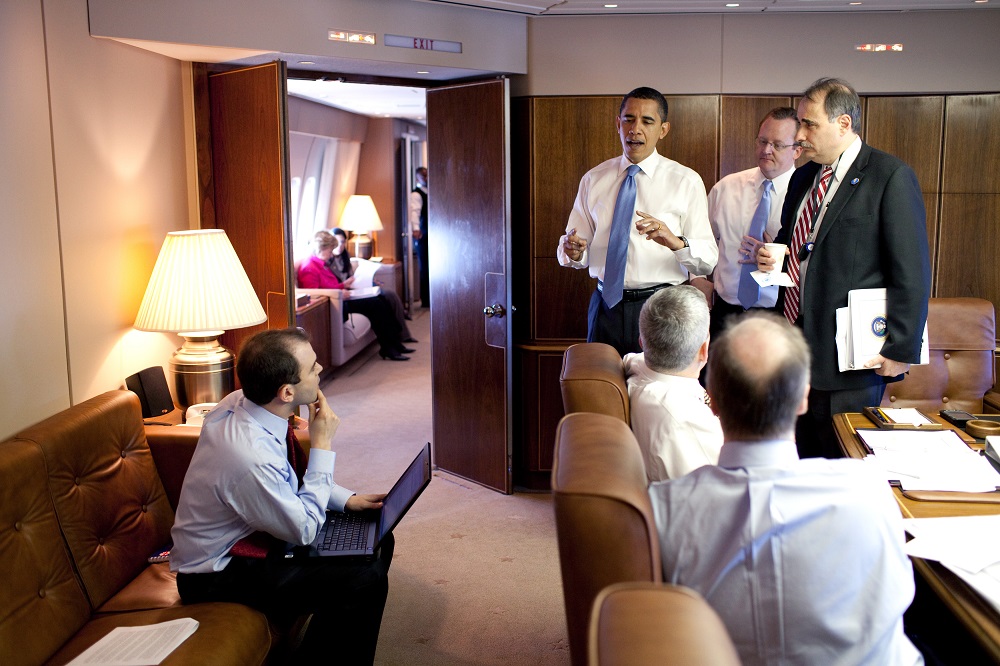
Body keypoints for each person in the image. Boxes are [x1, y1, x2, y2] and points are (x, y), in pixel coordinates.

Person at [648, 314, 921, 665]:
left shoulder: (663, 509)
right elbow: (896, 599)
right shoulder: (868, 487)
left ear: (712, 400)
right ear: (804, 398)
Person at [170, 328, 393, 664]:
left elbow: (288, 478)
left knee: (377, 534)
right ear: (287, 391)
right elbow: (304, 530)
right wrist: (321, 444)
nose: (320, 371)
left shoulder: (243, 403)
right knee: (364, 578)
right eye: (313, 368)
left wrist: (347, 500)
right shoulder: (248, 456)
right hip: (218, 572)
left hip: (252, 535)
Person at [757, 78, 931, 459]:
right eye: (799, 123)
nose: (799, 135)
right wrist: (777, 257)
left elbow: (912, 270)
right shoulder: (804, 175)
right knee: (800, 460)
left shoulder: (889, 176)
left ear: (844, 124)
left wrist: (901, 348)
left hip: (851, 357)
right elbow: (797, 244)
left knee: (844, 466)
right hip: (796, 347)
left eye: (809, 125)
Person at [557, 86, 717, 357]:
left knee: (656, 394)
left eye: (647, 121)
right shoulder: (593, 179)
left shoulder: (685, 181)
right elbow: (575, 248)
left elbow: (707, 260)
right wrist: (573, 250)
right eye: (629, 119)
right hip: (605, 306)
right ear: (618, 124)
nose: (635, 129)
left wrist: (675, 242)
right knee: (601, 392)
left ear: (663, 130)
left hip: (661, 308)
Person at [691, 107, 803, 342]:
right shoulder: (727, 187)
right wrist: (697, 279)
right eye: (762, 141)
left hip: (779, 316)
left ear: (797, 150)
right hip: (724, 312)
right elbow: (702, 239)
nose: (766, 150)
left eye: (777, 145)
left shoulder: (807, 196)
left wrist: (780, 260)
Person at [624, 285, 722, 482]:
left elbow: (634, 358)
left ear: (642, 343)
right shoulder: (688, 421)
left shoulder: (636, 366)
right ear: (704, 350)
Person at [298, 230, 414, 361]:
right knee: (375, 304)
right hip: (335, 304)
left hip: (341, 297)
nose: (331, 255)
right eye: (330, 251)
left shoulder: (321, 264)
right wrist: (340, 293)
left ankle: (395, 344)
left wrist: (344, 285)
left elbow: (329, 286)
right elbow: (313, 293)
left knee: (381, 298)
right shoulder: (309, 267)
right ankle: (389, 348)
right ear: (321, 248)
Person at [329, 226, 417, 344]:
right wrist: (346, 284)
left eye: (343, 242)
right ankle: (395, 339)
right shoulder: (328, 261)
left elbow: (354, 276)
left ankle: (403, 335)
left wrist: (370, 281)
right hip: (347, 294)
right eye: (337, 242)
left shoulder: (345, 257)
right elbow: (334, 285)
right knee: (381, 300)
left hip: (356, 288)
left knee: (390, 294)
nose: (340, 245)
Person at [409, 166, 430, 308]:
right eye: (423, 176)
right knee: (425, 267)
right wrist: (416, 229)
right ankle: (426, 301)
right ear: (417, 178)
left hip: (431, 233)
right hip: (423, 234)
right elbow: (414, 213)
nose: (426, 178)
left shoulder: (430, 191)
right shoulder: (416, 194)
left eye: (427, 175)